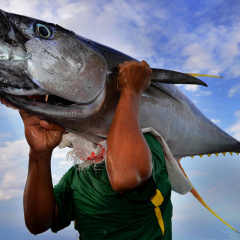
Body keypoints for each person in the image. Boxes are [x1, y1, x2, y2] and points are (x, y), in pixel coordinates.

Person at [20, 60, 173, 239]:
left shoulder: (146, 143)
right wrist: (39, 154)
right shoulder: (76, 176)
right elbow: (38, 224)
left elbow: (125, 176)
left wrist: (130, 91)